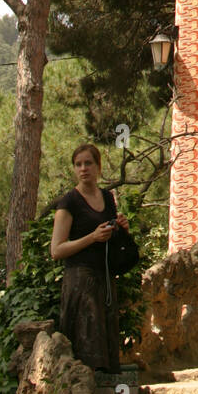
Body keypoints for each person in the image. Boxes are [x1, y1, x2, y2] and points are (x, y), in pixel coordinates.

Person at [50, 143, 129, 371]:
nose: (83, 168)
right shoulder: (69, 202)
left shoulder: (107, 197)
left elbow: (112, 242)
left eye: (88, 163)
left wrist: (122, 227)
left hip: (104, 279)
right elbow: (56, 250)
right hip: (79, 282)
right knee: (86, 346)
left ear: (98, 167)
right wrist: (92, 237)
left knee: (106, 345)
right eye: (78, 164)